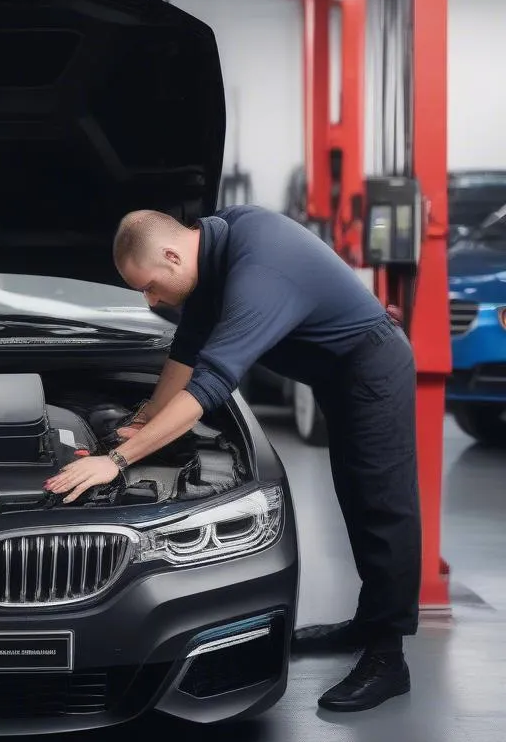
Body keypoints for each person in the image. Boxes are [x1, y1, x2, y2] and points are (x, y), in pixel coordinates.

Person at [45, 205, 421, 713]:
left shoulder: (260, 270)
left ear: (173, 256)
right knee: (355, 495)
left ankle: (387, 656)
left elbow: (211, 386)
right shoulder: (212, 251)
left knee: (382, 505)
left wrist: (117, 460)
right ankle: (366, 623)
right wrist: (143, 419)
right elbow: (187, 351)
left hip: (372, 368)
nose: (151, 300)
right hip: (335, 375)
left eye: (149, 287)